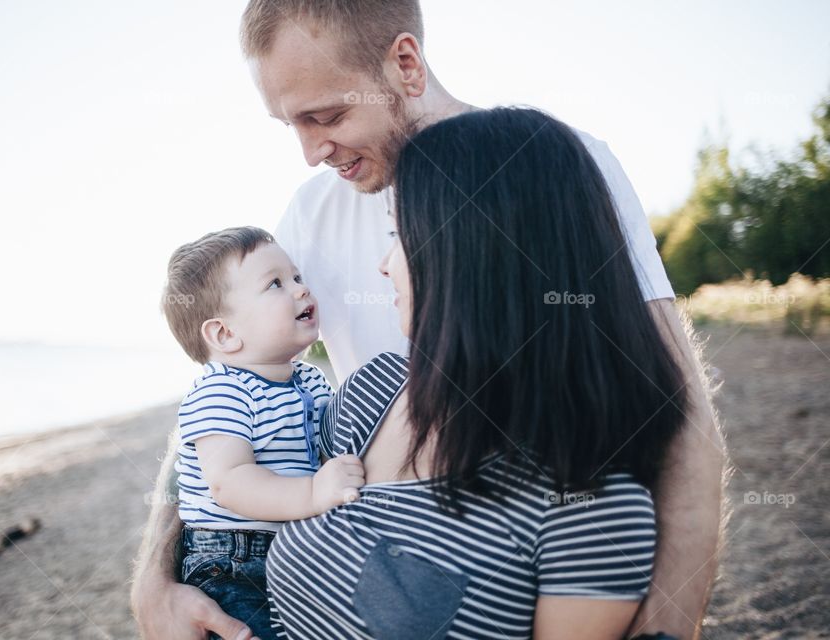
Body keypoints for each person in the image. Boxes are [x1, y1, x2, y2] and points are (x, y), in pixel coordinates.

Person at [131, 2, 726, 638]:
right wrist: (156, 577)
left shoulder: (553, 169)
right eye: (289, 125)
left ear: (406, 64)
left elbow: (679, 418)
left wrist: (664, 629)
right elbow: (231, 388)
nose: (310, 152)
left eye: (326, 116)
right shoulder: (311, 215)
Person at [266, 105, 687, 639]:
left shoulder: (591, 509)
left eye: (400, 235)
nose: (383, 264)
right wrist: (171, 581)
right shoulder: (372, 392)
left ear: (474, 255)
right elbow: (233, 451)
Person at [160, 227, 365, 639]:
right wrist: (314, 492)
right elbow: (230, 482)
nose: (301, 289)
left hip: (295, 547)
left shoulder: (309, 379)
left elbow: (328, 446)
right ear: (224, 334)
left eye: (297, 277)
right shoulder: (222, 390)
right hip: (233, 560)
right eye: (275, 284)